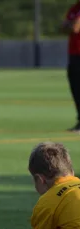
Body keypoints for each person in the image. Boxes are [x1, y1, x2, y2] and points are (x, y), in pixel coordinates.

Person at [63, 1, 80, 132]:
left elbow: (74, 27)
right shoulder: (74, 8)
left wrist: (71, 24)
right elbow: (63, 28)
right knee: (76, 88)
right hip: (74, 54)